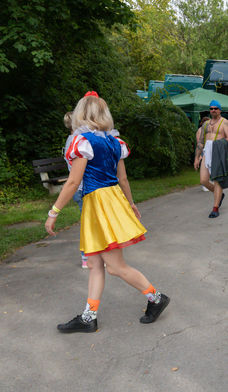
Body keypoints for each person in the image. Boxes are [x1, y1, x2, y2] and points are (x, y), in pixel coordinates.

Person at [45, 91, 169, 333]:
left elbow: (72, 182)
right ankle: (89, 317)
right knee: (94, 264)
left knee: (114, 266)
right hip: (111, 200)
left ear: (81, 113)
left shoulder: (84, 143)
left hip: (98, 204)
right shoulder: (114, 142)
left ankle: (156, 297)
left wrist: (54, 212)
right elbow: (123, 179)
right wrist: (130, 203)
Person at [194, 100, 228, 217]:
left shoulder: (224, 123)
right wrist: (197, 158)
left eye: (215, 108)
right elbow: (201, 142)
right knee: (203, 180)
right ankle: (220, 195)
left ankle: (215, 208)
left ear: (219, 110)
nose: (213, 110)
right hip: (207, 152)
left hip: (218, 153)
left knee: (217, 180)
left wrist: (216, 144)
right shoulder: (206, 124)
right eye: (211, 108)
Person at [62, 111, 88, 268]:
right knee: (88, 224)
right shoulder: (78, 141)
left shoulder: (71, 140)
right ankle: (86, 257)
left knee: (90, 223)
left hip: (80, 188)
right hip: (83, 188)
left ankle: (91, 256)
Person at [196, 117, 210, 192]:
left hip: (206, 150)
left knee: (209, 167)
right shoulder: (200, 130)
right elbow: (199, 142)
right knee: (204, 168)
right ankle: (204, 185)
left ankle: (208, 183)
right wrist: (200, 155)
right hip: (203, 150)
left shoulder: (206, 130)